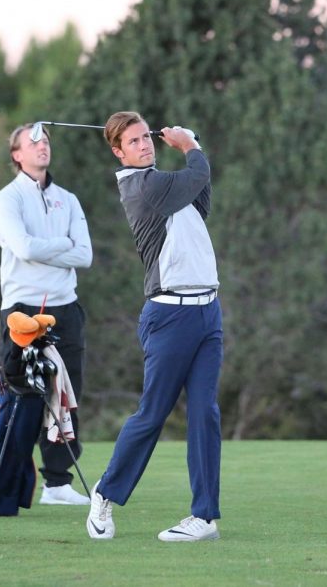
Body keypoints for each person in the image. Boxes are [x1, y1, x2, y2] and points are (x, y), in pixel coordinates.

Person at [87, 111, 223, 542]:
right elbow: (195, 173)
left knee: (206, 414)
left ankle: (203, 516)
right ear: (118, 151)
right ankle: (105, 493)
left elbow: (202, 193)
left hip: (207, 312)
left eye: (146, 137)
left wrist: (191, 148)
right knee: (152, 415)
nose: (144, 144)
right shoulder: (142, 187)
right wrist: (189, 144)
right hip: (170, 317)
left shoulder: (167, 185)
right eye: (134, 141)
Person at [0, 123, 93, 506]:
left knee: (65, 396)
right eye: (33, 143)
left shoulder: (68, 199)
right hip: (21, 310)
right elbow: (23, 247)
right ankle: (5, 479)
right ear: (17, 155)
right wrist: (61, 245)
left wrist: (48, 248)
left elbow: (85, 255)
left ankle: (58, 484)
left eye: (46, 141)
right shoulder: (7, 198)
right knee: (20, 394)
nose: (42, 147)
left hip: (65, 308)